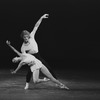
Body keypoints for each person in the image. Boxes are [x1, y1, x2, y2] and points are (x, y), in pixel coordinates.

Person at [20, 14, 57, 89]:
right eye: (24, 37)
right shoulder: (23, 47)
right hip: (32, 57)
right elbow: (24, 57)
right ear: (23, 38)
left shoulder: (32, 36)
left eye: (27, 36)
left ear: (28, 35)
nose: (26, 38)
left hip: (38, 55)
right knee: (30, 71)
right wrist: (29, 62)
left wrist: (41, 18)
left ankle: (56, 81)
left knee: (48, 67)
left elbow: (36, 26)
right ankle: (27, 83)